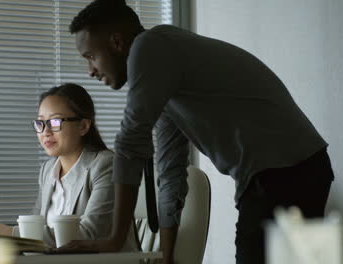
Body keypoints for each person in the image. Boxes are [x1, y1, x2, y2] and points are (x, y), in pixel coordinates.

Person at [59, 1, 335, 264]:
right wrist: (166, 256)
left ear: (117, 43)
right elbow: (171, 172)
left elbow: (131, 141)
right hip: (301, 166)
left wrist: (114, 239)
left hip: (283, 171)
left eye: (91, 57)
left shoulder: (150, 46)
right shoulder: (167, 84)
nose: (91, 71)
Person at [0, 83, 139, 251]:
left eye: (55, 121)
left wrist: (10, 233)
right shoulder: (47, 170)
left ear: (83, 126)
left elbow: (88, 234)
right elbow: (35, 226)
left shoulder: (105, 165)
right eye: (40, 122)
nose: (45, 131)